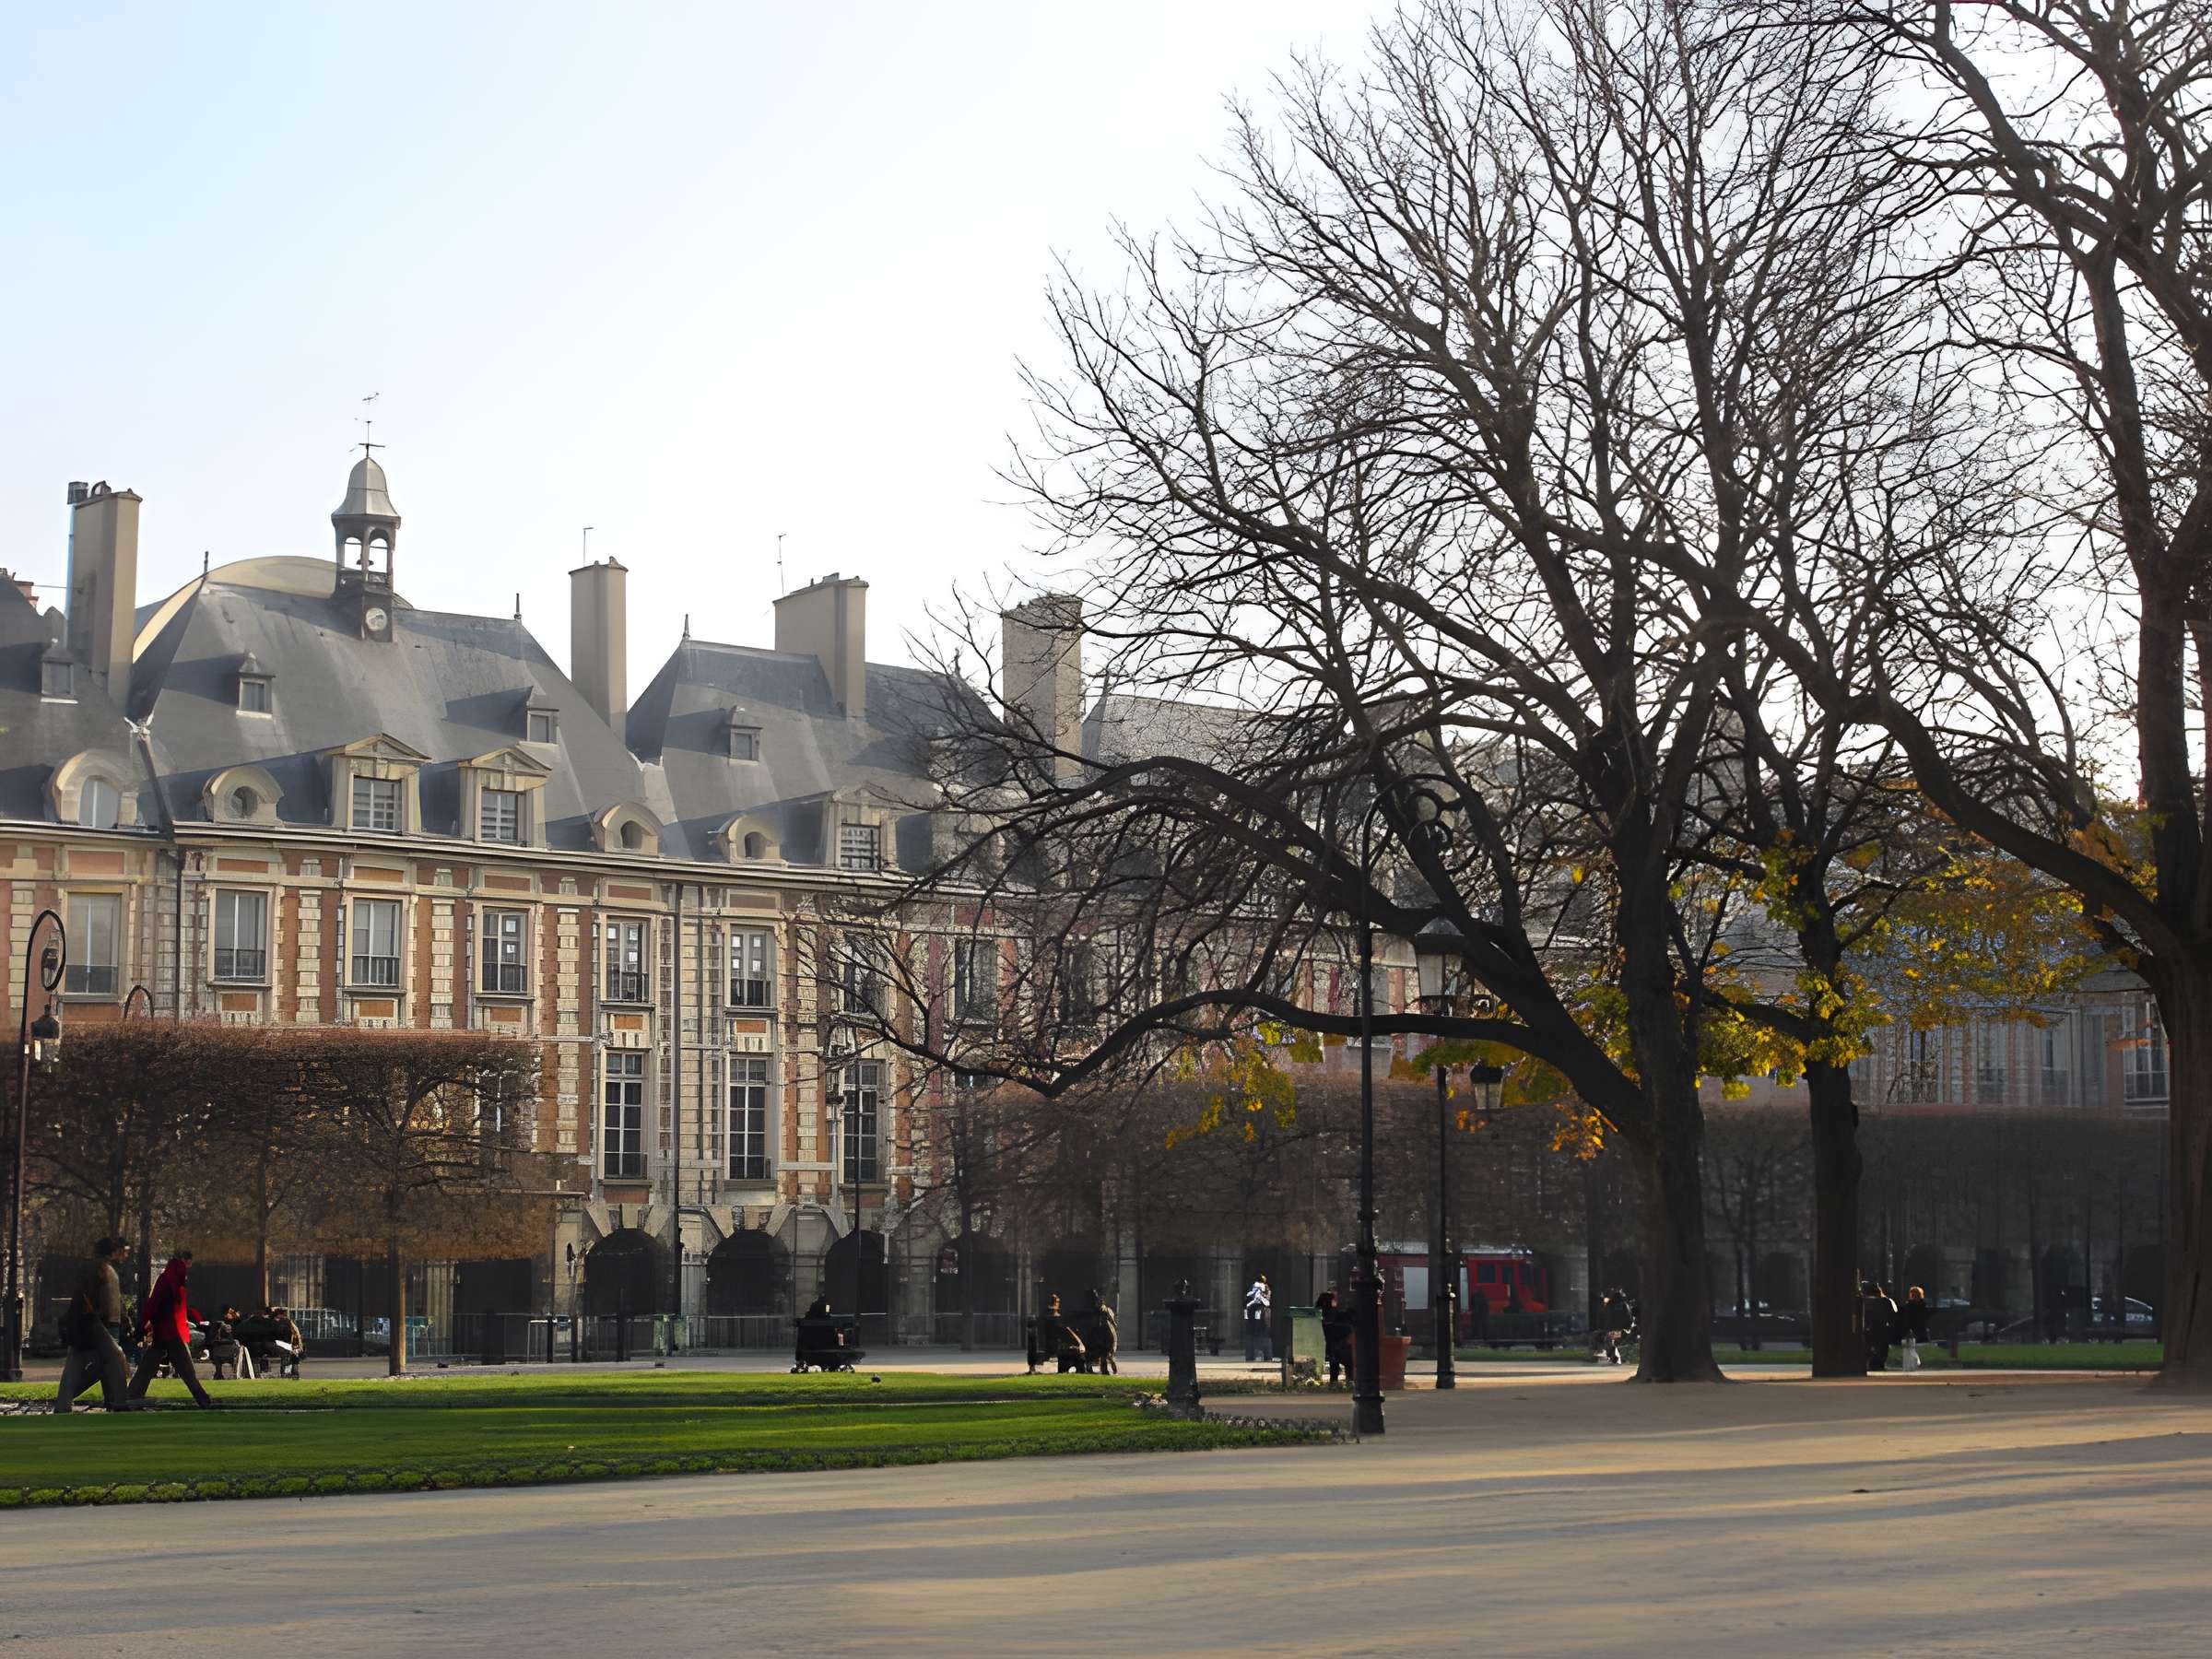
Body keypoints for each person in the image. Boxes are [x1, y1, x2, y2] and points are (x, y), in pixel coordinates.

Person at [55, 1236, 135, 1413]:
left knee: (77, 1363)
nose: (126, 1255)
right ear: (113, 1251)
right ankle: (120, 1403)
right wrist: (103, 1317)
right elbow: (100, 1297)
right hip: (97, 1323)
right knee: (116, 1358)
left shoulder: (98, 1268)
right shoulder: (100, 1268)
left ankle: (64, 1403)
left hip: (92, 1322)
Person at [127, 1252, 216, 1407]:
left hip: (163, 1331)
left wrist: (143, 1325)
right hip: (172, 1332)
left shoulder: (166, 1281)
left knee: (150, 1362)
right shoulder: (176, 1285)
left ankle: (133, 1392)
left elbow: (152, 1304)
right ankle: (201, 1397)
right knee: (185, 1367)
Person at [1315, 1288, 1353, 1386]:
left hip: (1331, 1343)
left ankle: (1334, 1381)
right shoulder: (1335, 1313)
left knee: (1334, 1362)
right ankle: (1349, 1380)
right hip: (1340, 1343)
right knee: (1348, 1362)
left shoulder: (1323, 1313)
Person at [1863, 1280, 1897, 1372]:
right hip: (1883, 1328)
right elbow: (1892, 1316)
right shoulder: (1886, 1301)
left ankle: (1870, 1364)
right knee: (1882, 1349)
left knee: (1870, 1347)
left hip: (1869, 1328)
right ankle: (1879, 1365)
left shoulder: (1865, 1301)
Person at [1083, 1288, 1119, 1376]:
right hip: (1102, 1334)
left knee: (1107, 1355)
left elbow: (1111, 1320)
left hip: (1106, 1334)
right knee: (1105, 1355)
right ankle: (1106, 1371)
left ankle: (1110, 1370)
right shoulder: (1100, 1310)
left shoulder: (1104, 1310)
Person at [1899, 1285, 1932, 1371]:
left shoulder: (1921, 1306)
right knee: (1911, 1347)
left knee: (1915, 1347)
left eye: (1915, 1294)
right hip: (1912, 1329)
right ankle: (1914, 1363)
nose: (1913, 1296)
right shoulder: (1910, 1305)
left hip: (1919, 1329)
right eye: (1912, 1294)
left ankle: (1917, 1363)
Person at [1598, 1287, 1632, 1365]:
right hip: (1618, 1328)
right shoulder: (1623, 1305)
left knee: (1610, 1342)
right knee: (1612, 1342)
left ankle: (1614, 1357)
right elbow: (1628, 1316)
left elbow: (1605, 1316)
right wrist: (1628, 1326)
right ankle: (1614, 1357)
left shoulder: (1610, 1305)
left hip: (1612, 1328)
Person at [1244, 1273, 1274, 1362]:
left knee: (1263, 1334)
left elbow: (1267, 1302)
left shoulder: (1266, 1289)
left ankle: (1265, 1355)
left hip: (1262, 1313)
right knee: (1255, 1334)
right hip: (1254, 1313)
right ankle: (1254, 1355)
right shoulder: (1254, 1289)